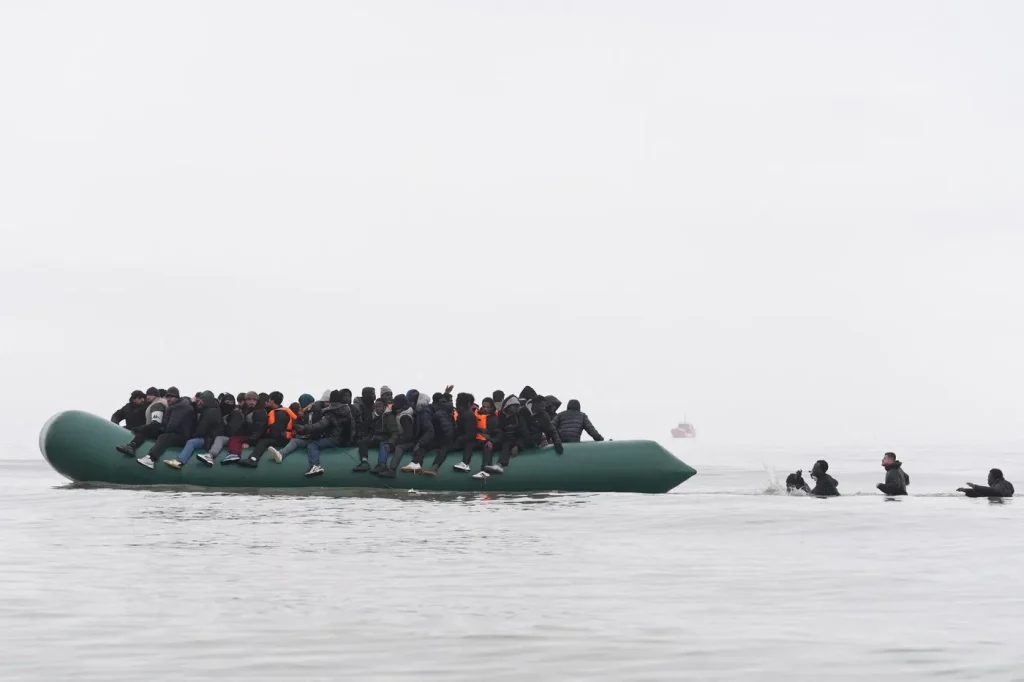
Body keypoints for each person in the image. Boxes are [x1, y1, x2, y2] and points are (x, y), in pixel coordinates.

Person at [293, 390, 351, 476]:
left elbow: (320, 425)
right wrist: (349, 441)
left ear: (331, 400)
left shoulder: (330, 412)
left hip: (333, 439)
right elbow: (352, 427)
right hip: (343, 439)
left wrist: (304, 428)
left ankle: (315, 466)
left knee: (312, 445)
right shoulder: (347, 410)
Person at [135, 387, 196, 469]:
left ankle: (151, 459)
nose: (168, 399)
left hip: (183, 436)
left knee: (164, 437)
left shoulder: (181, 407)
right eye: (167, 396)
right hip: (176, 432)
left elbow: (172, 425)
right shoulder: (173, 406)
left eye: (171, 397)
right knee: (153, 431)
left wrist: (161, 431)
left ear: (177, 397)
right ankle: (133, 445)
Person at [166, 390, 223, 468]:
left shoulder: (209, 413)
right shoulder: (214, 409)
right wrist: (192, 403)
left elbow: (201, 430)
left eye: (201, 400)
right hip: (212, 437)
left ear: (205, 400)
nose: (200, 402)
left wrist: (193, 436)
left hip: (209, 439)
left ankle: (180, 461)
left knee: (191, 442)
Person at [239, 391, 296, 467]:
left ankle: (253, 459)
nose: (267, 401)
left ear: (272, 401)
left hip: (282, 439)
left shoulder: (281, 413)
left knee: (263, 441)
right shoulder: (275, 411)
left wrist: (263, 434)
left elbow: (276, 432)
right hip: (280, 437)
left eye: (268, 400)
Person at [115, 387, 168, 457]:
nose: (146, 397)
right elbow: (116, 415)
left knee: (144, 432)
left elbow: (156, 423)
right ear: (133, 399)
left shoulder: (157, 405)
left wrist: (140, 428)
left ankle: (132, 446)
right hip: (154, 428)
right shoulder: (128, 407)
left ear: (155, 396)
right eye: (147, 395)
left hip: (158, 430)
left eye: (150, 395)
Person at [270, 393, 318, 462]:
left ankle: (281, 454)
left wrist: (298, 431)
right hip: (310, 437)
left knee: (294, 441)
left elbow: (310, 429)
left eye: (301, 403)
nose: (301, 408)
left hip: (312, 439)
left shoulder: (310, 414)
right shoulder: (309, 413)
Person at [221, 392, 266, 464]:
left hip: (256, 437)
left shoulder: (259, 412)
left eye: (254, 400)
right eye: (249, 399)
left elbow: (259, 430)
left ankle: (234, 454)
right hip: (248, 434)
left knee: (235, 439)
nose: (251, 402)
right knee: (235, 437)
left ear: (257, 401)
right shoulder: (246, 410)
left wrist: (249, 442)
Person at [354, 398, 397, 472]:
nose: (377, 408)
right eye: (376, 406)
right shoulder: (375, 417)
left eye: (380, 406)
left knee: (383, 444)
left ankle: (382, 465)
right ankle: (364, 462)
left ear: (384, 407)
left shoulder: (389, 417)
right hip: (376, 439)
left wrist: (391, 443)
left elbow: (395, 432)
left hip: (386, 439)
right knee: (363, 442)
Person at [199, 393, 244, 465]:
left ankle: (210, 455)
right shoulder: (219, 412)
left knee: (219, 438)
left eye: (231, 403)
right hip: (221, 436)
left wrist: (223, 424)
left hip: (233, 438)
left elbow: (232, 431)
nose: (229, 404)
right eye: (227, 402)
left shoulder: (235, 414)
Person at [380, 394, 416, 478]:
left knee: (399, 447)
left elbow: (409, 435)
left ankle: (392, 470)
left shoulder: (404, 417)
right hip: (406, 439)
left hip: (411, 441)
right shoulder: (403, 412)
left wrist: (394, 443)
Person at [398, 390, 435, 473]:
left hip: (434, 439)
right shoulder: (420, 411)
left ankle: (416, 463)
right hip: (431, 436)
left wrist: (419, 443)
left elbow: (429, 431)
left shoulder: (423, 413)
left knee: (420, 446)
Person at [519, 386, 564, 454]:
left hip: (536, 441)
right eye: (542, 406)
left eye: (545, 406)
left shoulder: (544, 415)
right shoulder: (522, 411)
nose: (544, 408)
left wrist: (557, 442)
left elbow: (551, 429)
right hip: (522, 440)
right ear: (535, 404)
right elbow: (522, 429)